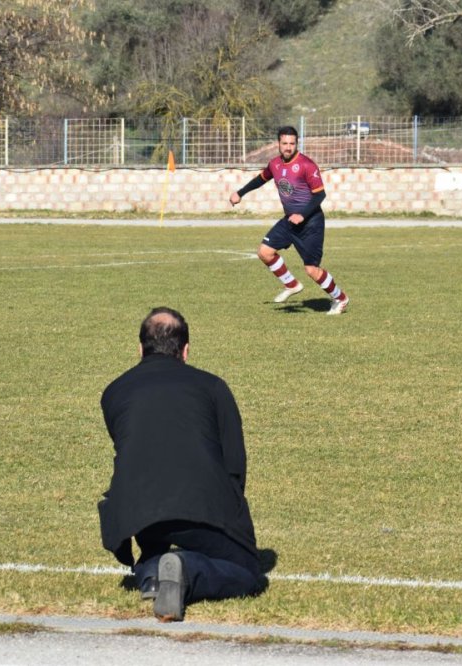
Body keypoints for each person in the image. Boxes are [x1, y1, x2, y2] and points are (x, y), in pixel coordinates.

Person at [98, 307, 266, 622]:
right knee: (246, 573)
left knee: (156, 544)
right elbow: (234, 464)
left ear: (140, 349)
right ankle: (187, 570)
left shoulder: (113, 392)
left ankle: (151, 572)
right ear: (185, 350)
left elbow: (130, 449)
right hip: (199, 501)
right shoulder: (213, 386)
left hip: (136, 511)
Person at [229, 125, 350, 315]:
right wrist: (240, 192)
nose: (288, 147)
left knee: (311, 270)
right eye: (284, 143)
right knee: (264, 252)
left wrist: (302, 214)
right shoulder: (275, 164)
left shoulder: (307, 165)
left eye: (291, 143)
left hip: (311, 223)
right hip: (290, 221)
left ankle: (340, 298)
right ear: (278, 144)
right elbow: (261, 178)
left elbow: (320, 195)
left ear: (296, 144)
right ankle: (292, 285)